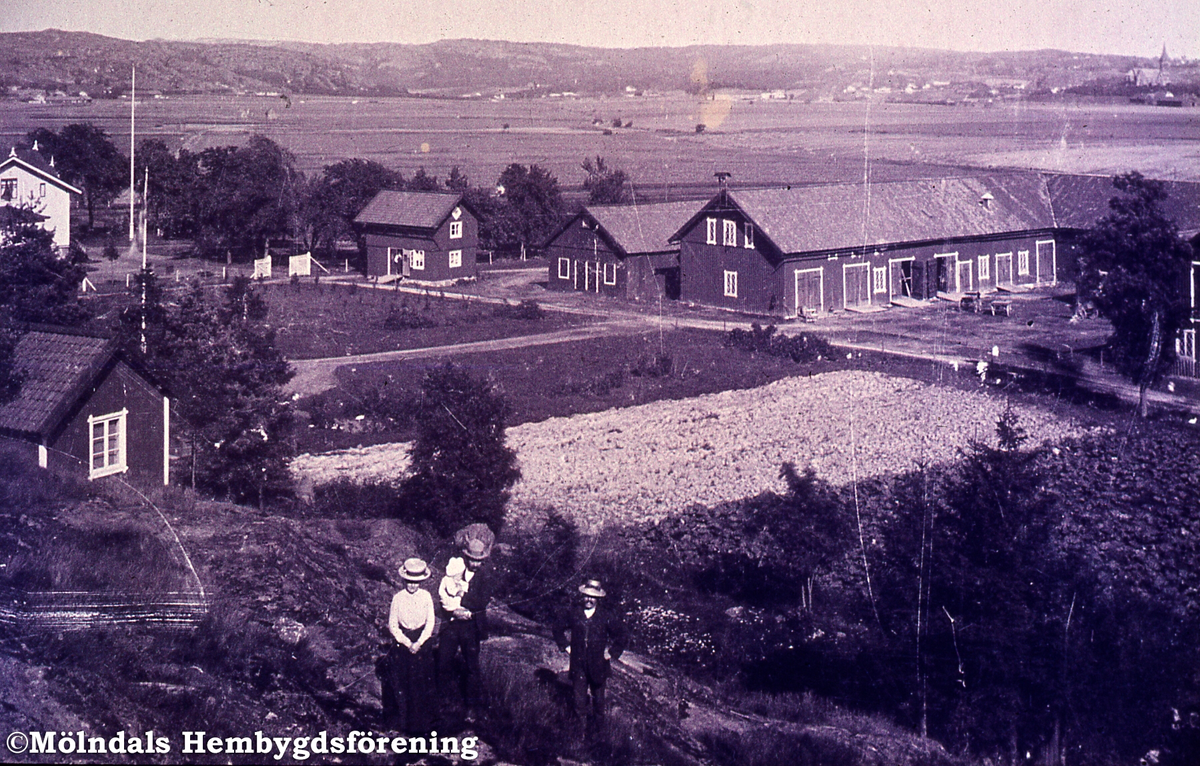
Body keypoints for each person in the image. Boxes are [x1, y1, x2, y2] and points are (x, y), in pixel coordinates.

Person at [437, 524, 495, 722]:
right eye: (472, 559)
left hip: (471, 626)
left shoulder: (486, 576)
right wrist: (455, 610)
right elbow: (443, 594)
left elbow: (481, 602)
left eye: (479, 561)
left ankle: (471, 707)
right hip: (453, 623)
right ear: (466, 557)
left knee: (472, 666)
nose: (475, 564)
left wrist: (462, 596)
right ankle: (441, 702)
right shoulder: (455, 570)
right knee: (443, 661)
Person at [554, 579, 627, 730]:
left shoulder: (605, 616)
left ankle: (599, 737)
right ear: (582, 596)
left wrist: (611, 653)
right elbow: (557, 628)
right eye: (587, 596)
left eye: (592, 596)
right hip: (578, 665)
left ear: (598, 598)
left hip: (599, 666)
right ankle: (580, 736)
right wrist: (566, 646)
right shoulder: (574, 613)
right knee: (578, 703)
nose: (589, 599)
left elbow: (622, 635)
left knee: (599, 703)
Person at [384, 558, 436, 734]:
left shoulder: (426, 597)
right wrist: (407, 643)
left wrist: (419, 643)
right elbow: (393, 625)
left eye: (416, 583)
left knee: (420, 683)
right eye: (409, 582)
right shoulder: (398, 598)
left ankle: (419, 725)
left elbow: (430, 623)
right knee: (400, 683)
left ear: (421, 582)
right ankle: (401, 723)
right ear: (404, 580)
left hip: (421, 641)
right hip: (403, 641)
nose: (412, 586)